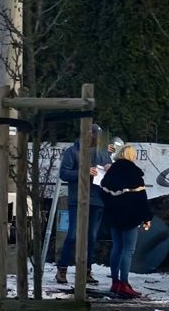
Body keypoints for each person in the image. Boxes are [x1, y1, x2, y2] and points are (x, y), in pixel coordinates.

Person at [56, 124, 111, 284]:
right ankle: (62, 269)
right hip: (78, 200)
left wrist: (110, 169)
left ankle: (86, 271)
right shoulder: (72, 152)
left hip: (97, 200)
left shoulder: (103, 153)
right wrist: (84, 172)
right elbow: (64, 174)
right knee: (73, 235)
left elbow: (109, 171)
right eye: (96, 136)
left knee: (91, 237)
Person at [99, 145, 151, 299]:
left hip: (113, 215)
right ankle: (124, 283)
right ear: (131, 156)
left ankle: (115, 282)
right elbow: (141, 198)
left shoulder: (111, 172)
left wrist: (112, 206)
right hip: (130, 216)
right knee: (128, 250)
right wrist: (147, 217)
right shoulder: (134, 173)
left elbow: (103, 193)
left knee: (117, 247)